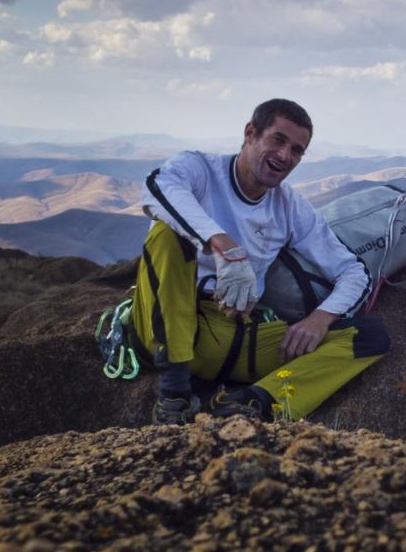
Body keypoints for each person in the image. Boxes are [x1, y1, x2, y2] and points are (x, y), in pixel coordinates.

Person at [134, 98, 389, 425]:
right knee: (167, 236)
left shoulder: (289, 206)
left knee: (370, 336)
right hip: (167, 324)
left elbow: (353, 271)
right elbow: (157, 187)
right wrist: (221, 243)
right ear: (251, 133)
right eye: (278, 140)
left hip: (232, 334)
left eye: (297, 150)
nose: (285, 156)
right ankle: (174, 393)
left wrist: (320, 319)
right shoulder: (200, 169)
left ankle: (255, 401)